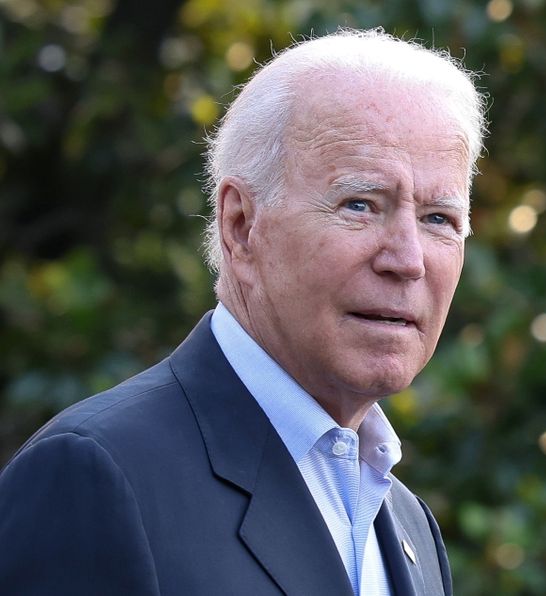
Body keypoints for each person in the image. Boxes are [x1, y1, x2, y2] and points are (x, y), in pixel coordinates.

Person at [0, 28, 486, 595]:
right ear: (240, 226)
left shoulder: (409, 527)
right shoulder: (97, 477)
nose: (407, 260)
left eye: (438, 220)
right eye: (361, 204)